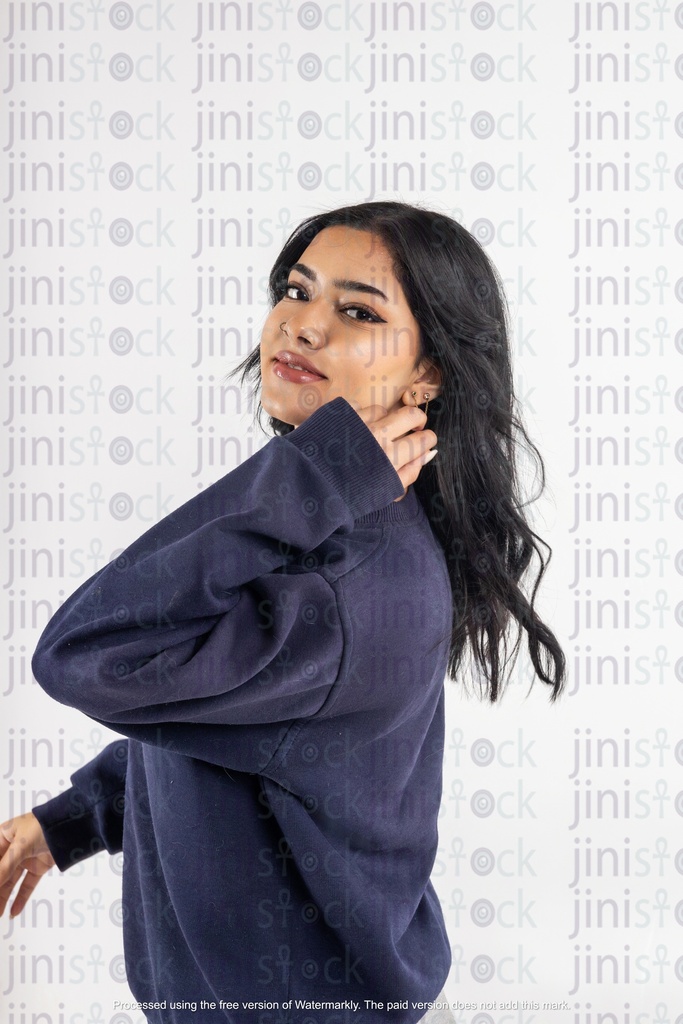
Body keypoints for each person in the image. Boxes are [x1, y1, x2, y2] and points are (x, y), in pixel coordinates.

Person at [0, 202, 565, 1024]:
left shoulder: (345, 580)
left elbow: (80, 655)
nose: (300, 327)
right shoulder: (322, 527)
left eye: (357, 311)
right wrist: (78, 819)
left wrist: (311, 477)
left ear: (427, 376)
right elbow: (240, 735)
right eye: (297, 292)